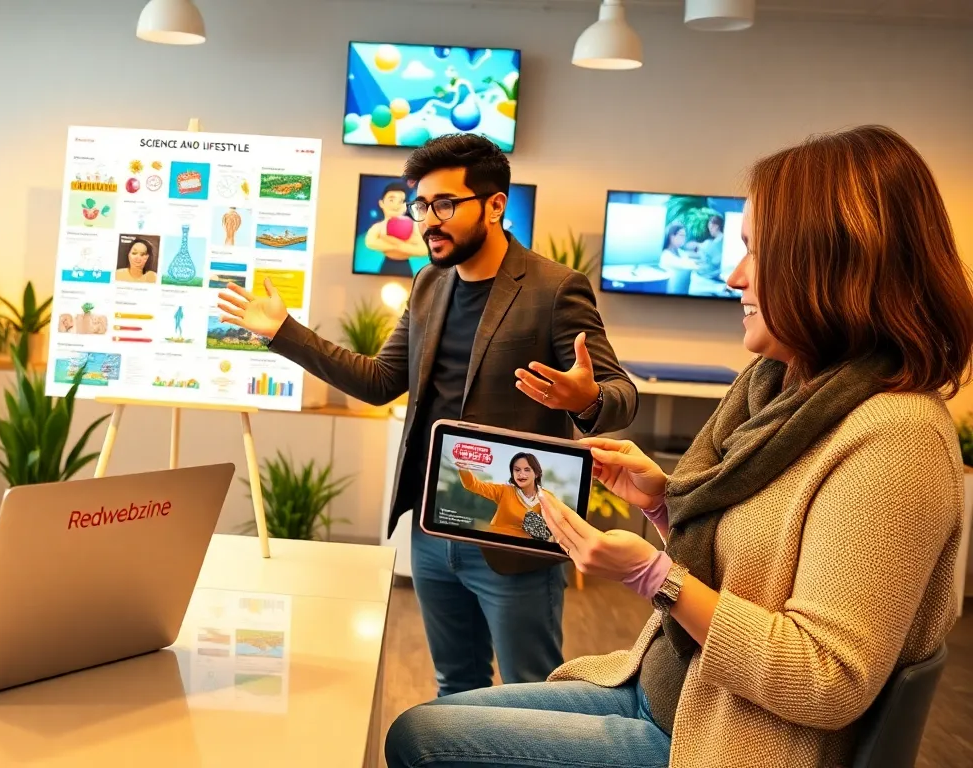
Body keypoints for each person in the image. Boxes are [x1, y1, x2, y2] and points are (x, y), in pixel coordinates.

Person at [385, 125, 973, 768]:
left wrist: (654, 577)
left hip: (721, 738)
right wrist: (663, 505)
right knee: (430, 717)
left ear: (836, 265)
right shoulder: (776, 391)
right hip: (672, 691)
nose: (732, 274)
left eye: (756, 250)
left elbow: (825, 681)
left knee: (421, 739)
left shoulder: (894, 442)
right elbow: (757, 566)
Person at [218, 133, 638, 696]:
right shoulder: (428, 283)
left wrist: (584, 399)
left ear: (494, 205)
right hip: (433, 531)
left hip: (513, 538)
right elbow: (379, 381)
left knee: (534, 695)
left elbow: (619, 393)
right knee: (455, 688)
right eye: (421, 205)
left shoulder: (555, 289)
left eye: (444, 204)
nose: (427, 221)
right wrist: (283, 333)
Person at [454, 453, 553, 541]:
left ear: (536, 473)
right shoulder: (504, 491)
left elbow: (557, 528)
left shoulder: (547, 498)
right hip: (494, 545)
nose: (521, 474)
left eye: (527, 470)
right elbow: (473, 485)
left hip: (525, 554)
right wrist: (464, 467)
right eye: (517, 470)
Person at [364, 181, 429, 276]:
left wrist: (394, 242)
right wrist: (406, 245)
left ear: (405, 206)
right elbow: (370, 242)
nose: (396, 205)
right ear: (381, 203)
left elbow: (424, 250)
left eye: (401, 201)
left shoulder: (413, 226)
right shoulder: (379, 226)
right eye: (391, 200)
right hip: (387, 265)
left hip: (405, 267)